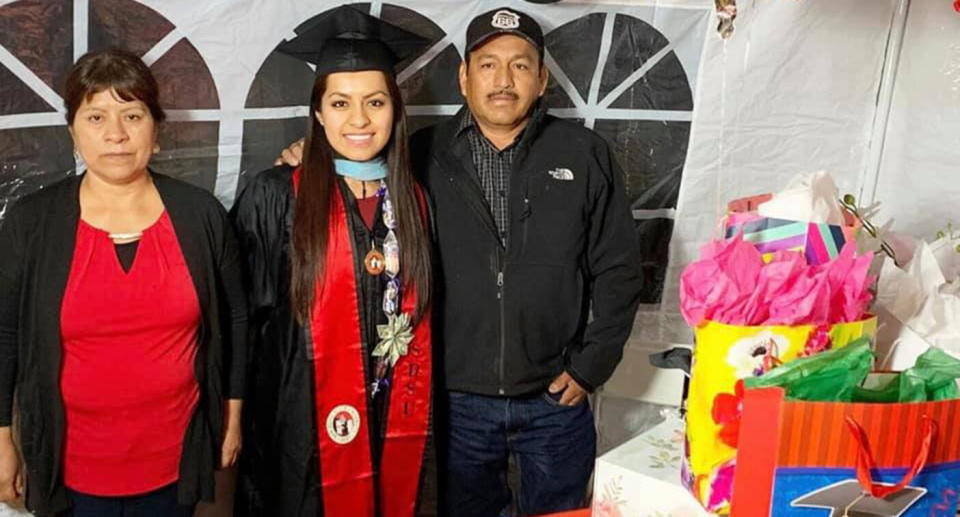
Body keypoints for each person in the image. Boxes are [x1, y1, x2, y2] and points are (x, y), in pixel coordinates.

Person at [278, 7, 643, 516]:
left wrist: (589, 367)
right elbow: (353, 184)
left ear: (541, 80)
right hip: (455, 404)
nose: (503, 80)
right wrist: (309, 153)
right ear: (464, 78)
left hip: (555, 400)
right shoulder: (417, 157)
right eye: (488, 65)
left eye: (520, 66)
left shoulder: (584, 154)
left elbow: (620, 271)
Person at [0, 48, 247, 517]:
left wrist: (231, 419)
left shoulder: (201, 216)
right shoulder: (32, 223)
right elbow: (5, 336)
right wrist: (1, 442)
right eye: (96, 116)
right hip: (70, 471)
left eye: (132, 114)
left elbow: (235, 321)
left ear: (156, 129)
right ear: (73, 130)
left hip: (176, 466)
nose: (115, 134)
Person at [231, 6, 435, 517]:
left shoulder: (414, 200)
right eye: (340, 103)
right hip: (296, 422)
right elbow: (239, 321)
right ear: (318, 113)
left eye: (375, 102)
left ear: (396, 109)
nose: (360, 120)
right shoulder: (277, 195)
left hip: (394, 414)